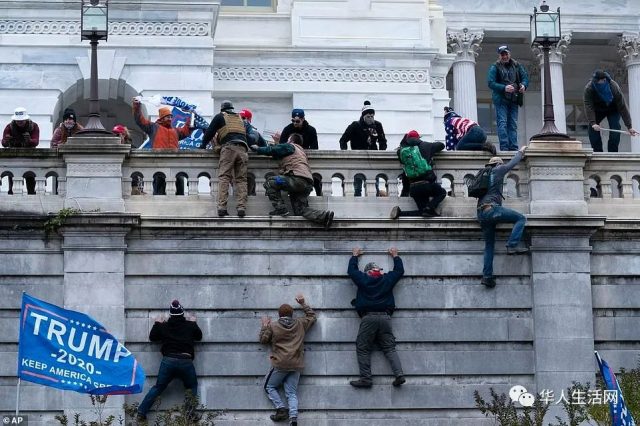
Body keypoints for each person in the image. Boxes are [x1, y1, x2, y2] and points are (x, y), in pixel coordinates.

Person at [347, 246, 405, 388]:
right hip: (385, 318)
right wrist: (395, 255)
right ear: (379, 270)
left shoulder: (363, 279)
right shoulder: (387, 279)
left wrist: (354, 256)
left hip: (368, 318)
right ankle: (399, 374)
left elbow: (352, 271)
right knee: (389, 348)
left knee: (363, 347)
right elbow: (399, 271)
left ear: (367, 272)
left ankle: (366, 379)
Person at [250, 133, 334, 229]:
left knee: (270, 182)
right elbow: (280, 154)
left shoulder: (290, 146)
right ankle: (324, 217)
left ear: (291, 141)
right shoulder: (301, 151)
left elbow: (273, 150)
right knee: (300, 210)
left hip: (296, 179)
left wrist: (258, 149)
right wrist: (277, 143)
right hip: (307, 184)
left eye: (288, 140)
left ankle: (281, 209)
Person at [137, 300, 203, 422]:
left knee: (158, 387)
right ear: (182, 313)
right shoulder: (190, 325)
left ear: (170, 314)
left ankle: (141, 412)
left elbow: (153, 338)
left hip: (168, 361)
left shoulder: (164, 326)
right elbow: (199, 336)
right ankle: (189, 414)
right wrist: (194, 323)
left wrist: (157, 323)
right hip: (185, 361)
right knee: (192, 386)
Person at [259, 293, 316, 426]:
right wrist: (303, 303)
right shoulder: (300, 323)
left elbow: (263, 340)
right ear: (292, 314)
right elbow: (312, 317)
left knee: (268, 386)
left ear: (279, 315)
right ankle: (293, 419)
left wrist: (265, 326)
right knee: (291, 392)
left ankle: (281, 409)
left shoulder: (273, 326)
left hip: (281, 364)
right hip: (297, 364)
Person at [477, 146, 529, 288]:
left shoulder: (485, 175)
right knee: (520, 218)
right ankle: (512, 246)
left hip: (481, 213)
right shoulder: (498, 170)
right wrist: (521, 151)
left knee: (489, 245)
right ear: (498, 164)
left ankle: (487, 276)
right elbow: (512, 164)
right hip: (492, 210)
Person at [132, 98, 191, 195]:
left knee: (180, 181)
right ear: (162, 118)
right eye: (168, 117)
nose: (170, 119)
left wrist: (191, 115)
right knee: (159, 187)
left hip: (175, 164)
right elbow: (140, 120)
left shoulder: (175, 131)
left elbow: (186, 130)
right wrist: (137, 106)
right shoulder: (153, 127)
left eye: (171, 117)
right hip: (159, 164)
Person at [200, 100, 249, 217]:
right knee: (241, 179)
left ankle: (222, 207)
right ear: (232, 108)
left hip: (229, 148)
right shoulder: (240, 119)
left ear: (222, 109)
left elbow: (209, 132)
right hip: (243, 149)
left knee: (224, 177)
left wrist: (202, 146)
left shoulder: (220, 116)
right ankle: (241, 208)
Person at [390, 130, 446, 219]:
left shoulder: (401, 151)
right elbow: (441, 145)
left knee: (422, 212)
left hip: (413, 187)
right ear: (418, 138)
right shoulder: (426, 145)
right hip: (426, 183)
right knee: (441, 192)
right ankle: (430, 207)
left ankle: (400, 213)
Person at [339, 101, 388, 196]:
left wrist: (381, 153)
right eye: (368, 117)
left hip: (373, 159)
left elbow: (382, 140)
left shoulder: (377, 125)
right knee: (357, 187)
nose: (370, 119)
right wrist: (345, 154)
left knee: (374, 186)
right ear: (363, 116)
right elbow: (343, 140)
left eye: (372, 116)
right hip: (358, 159)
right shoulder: (355, 125)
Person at [583, 69, 639, 152]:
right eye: (594, 81)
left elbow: (622, 107)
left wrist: (629, 126)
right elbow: (588, 106)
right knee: (592, 128)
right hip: (598, 109)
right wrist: (593, 123)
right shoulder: (589, 88)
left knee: (615, 126)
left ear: (604, 80)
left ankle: (613, 151)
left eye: (598, 81)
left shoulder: (613, 87)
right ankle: (597, 151)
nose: (595, 83)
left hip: (613, 108)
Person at [487, 45, 529, 151]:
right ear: (499, 56)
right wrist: (504, 88)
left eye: (506, 54)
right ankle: (504, 147)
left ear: (509, 54)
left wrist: (524, 85)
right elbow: (491, 83)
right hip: (501, 100)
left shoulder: (517, 65)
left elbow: (525, 78)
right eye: (502, 54)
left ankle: (514, 147)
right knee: (502, 123)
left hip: (514, 99)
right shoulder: (495, 67)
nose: (504, 56)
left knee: (513, 124)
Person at [278, 108, 322, 195]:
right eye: (293, 120)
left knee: (316, 179)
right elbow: (282, 145)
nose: (295, 123)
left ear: (303, 119)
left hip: (305, 158)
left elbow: (315, 147)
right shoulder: (287, 129)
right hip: (291, 159)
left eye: (297, 121)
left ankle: (319, 195)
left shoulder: (311, 130)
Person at [2, 107, 39, 194]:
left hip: (29, 157)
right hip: (14, 157)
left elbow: (36, 142)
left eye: (21, 121)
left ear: (26, 120)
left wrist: (29, 140)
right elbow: (3, 143)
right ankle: (11, 193)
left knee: (30, 179)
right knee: (12, 178)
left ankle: (31, 193)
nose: (19, 123)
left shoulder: (34, 126)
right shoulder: (9, 127)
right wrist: (7, 141)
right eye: (17, 121)